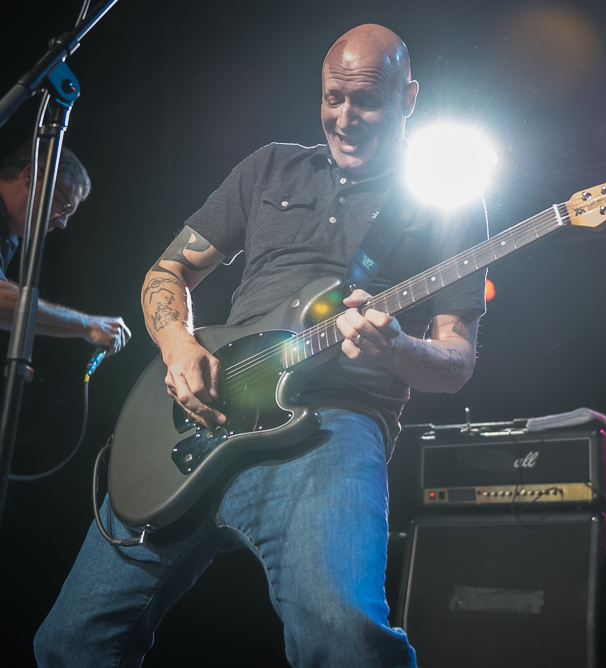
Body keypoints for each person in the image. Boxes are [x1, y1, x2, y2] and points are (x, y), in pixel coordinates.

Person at [34, 24, 487, 668]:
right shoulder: (273, 165)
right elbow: (166, 273)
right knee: (69, 643)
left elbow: (456, 363)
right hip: (207, 413)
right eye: (333, 98)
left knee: (343, 633)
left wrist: (395, 350)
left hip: (333, 426)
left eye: (368, 102)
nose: (346, 117)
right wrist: (177, 346)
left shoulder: (448, 205)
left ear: (408, 98)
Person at [0, 142, 130, 353]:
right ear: (31, 175)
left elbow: (9, 314)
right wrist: (86, 325)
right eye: (65, 207)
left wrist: (85, 327)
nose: (62, 223)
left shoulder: (9, 236)